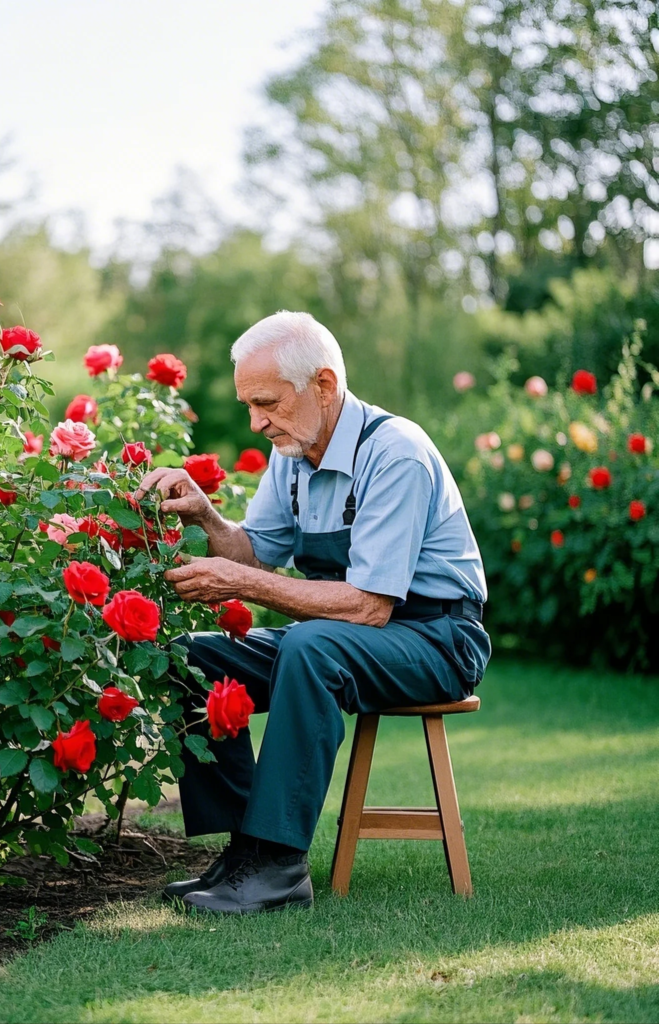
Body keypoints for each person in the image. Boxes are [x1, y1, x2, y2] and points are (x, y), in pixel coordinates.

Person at [135, 311, 491, 915]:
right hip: (345, 633)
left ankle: (277, 866)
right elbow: (253, 552)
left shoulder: (395, 453)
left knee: (310, 647)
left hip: (437, 638)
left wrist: (240, 582)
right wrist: (206, 517)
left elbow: (369, 605)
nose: (255, 421)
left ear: (323, 386)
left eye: (267, 402)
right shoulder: (294, 454)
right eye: (249, 404)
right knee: (189, 655)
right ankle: (244, 848)